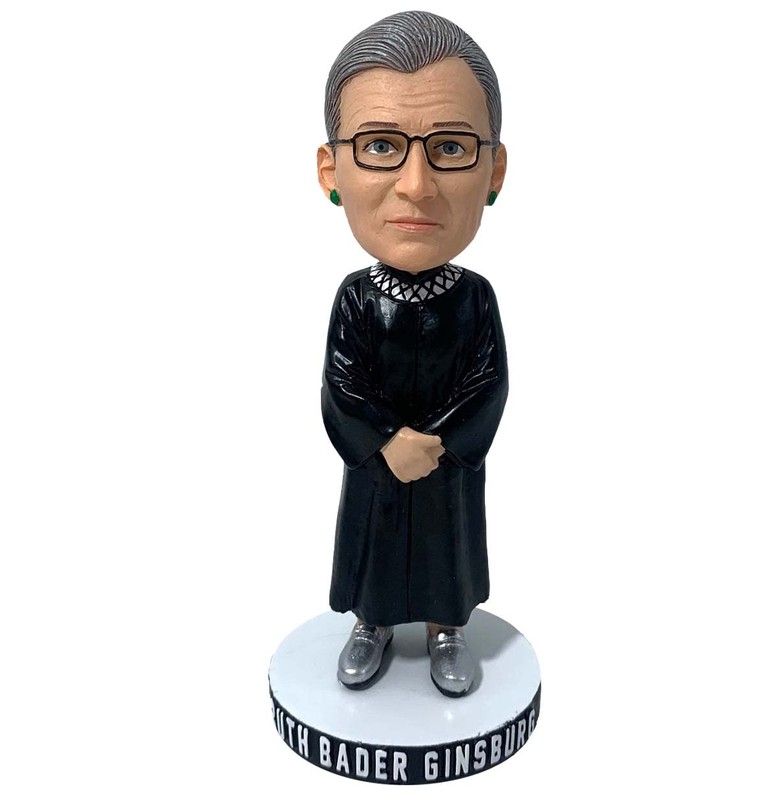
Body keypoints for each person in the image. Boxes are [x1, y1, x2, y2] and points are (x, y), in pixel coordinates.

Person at [318, 10, 508, 697]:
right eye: (380, 146)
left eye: (452, 147)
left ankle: (446, 626)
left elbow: (490, 382)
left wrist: (442, 440)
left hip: (446, 466)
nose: (417, 185)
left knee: (445, 548)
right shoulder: (357, 298)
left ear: (495, 169)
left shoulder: (473, 298)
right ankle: (370, 621)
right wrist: (384, 441)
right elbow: (340, 384)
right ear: (330, 169)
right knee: (374, 544)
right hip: (379, 465)